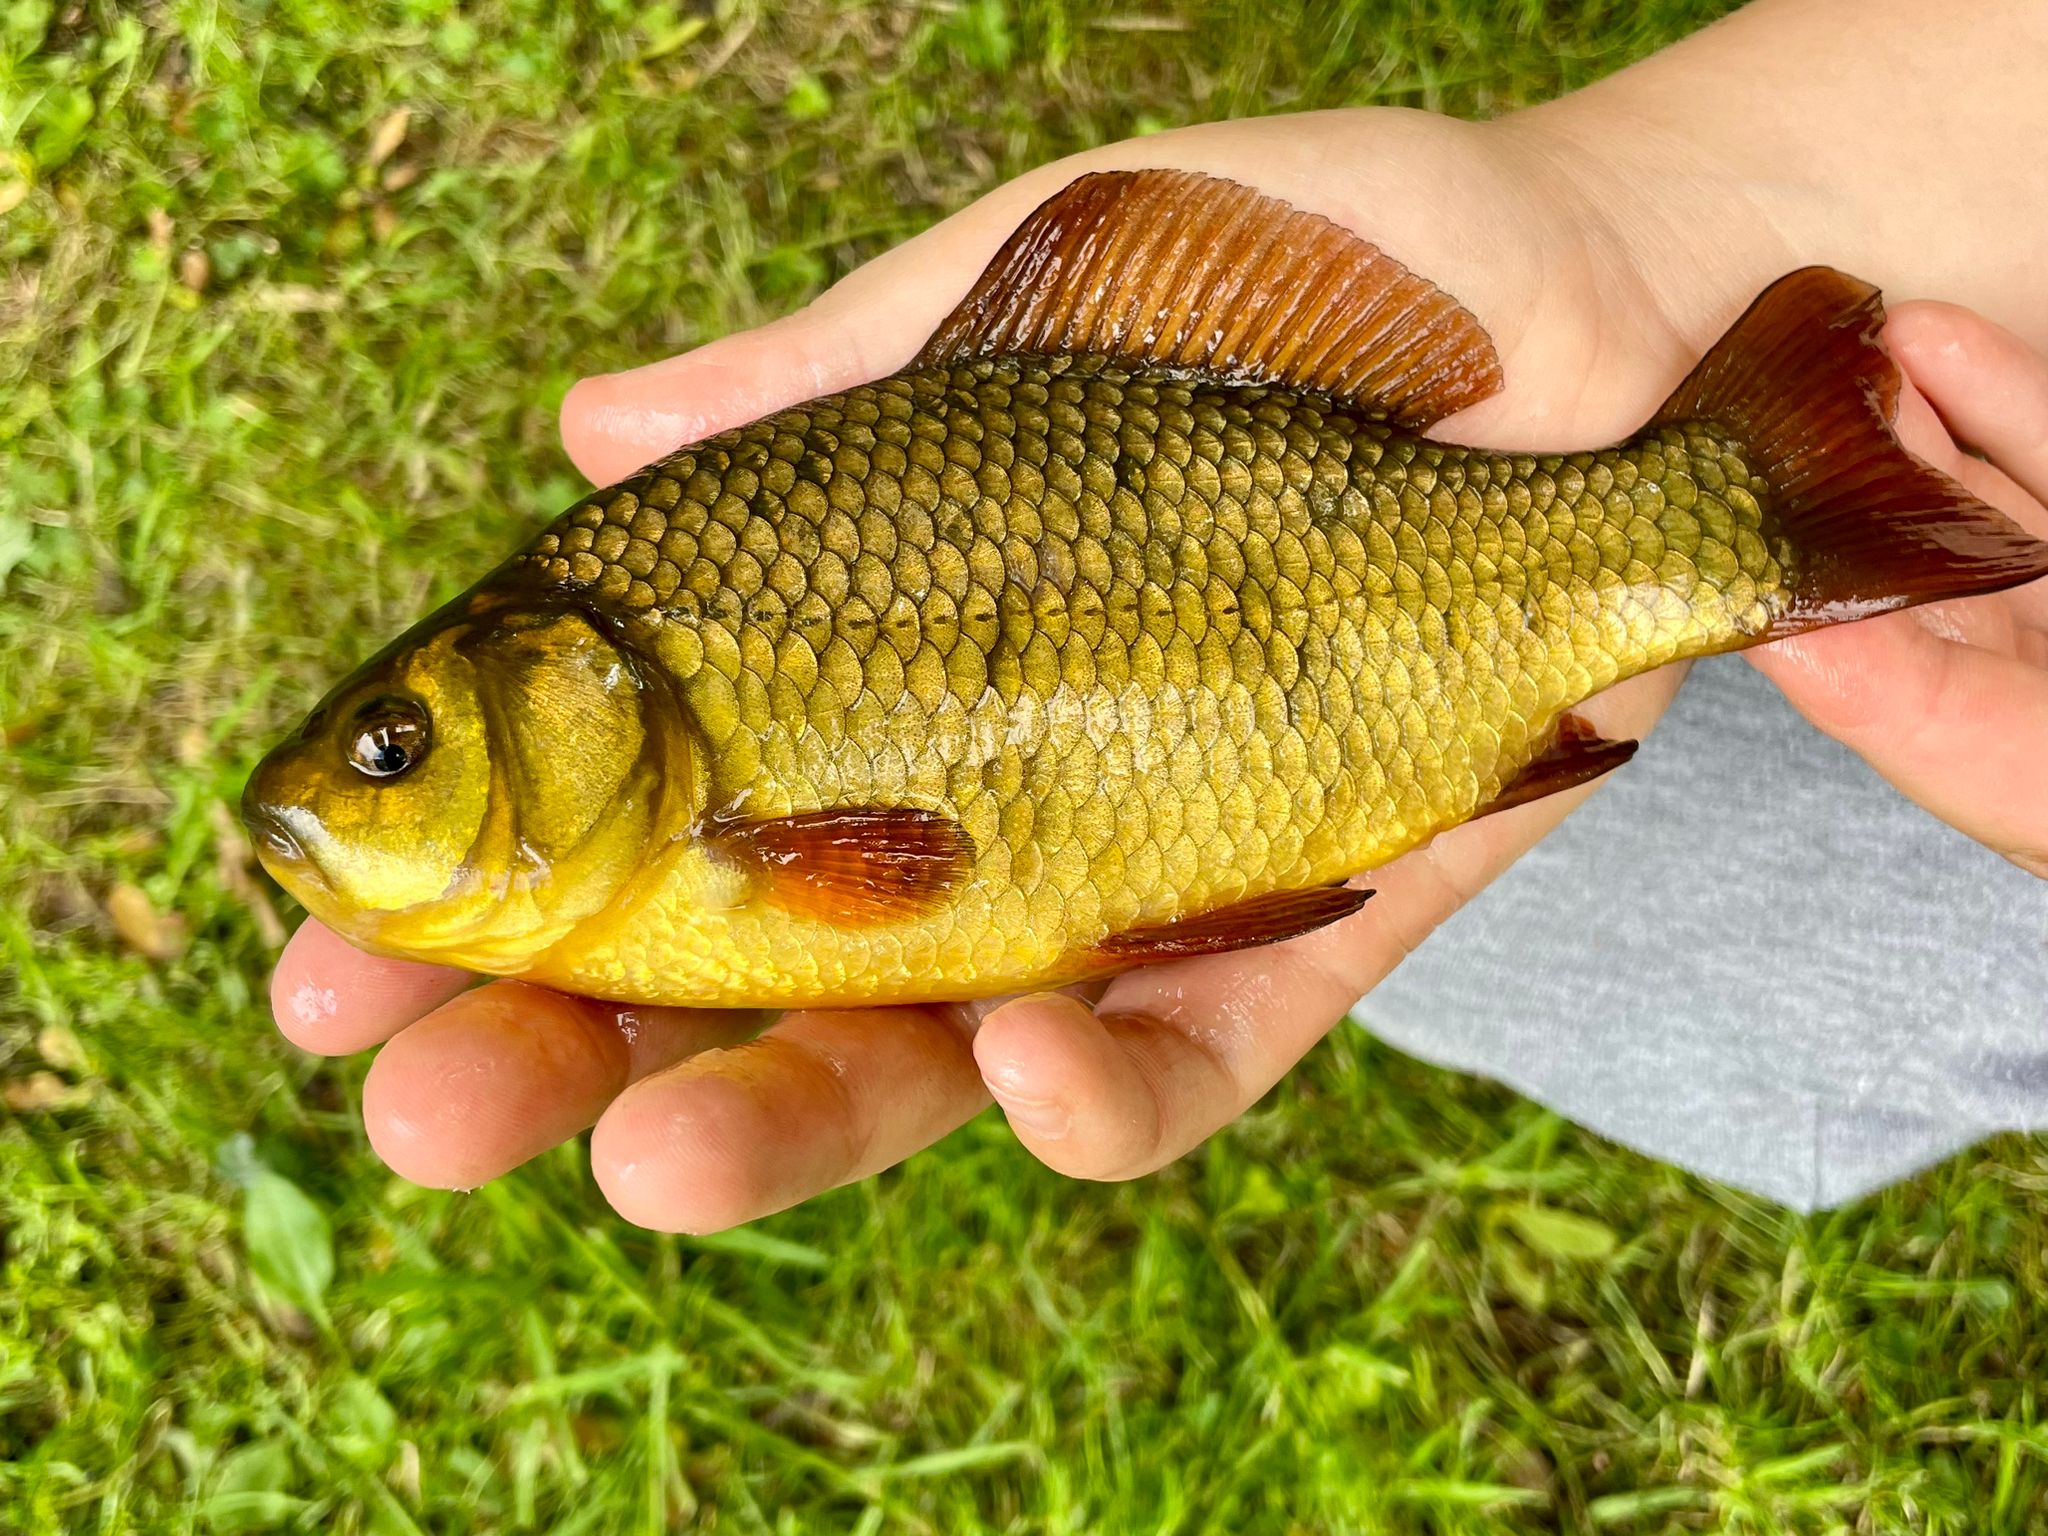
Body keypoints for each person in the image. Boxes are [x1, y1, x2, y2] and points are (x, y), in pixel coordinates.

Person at [267, 0, 2048, 1224]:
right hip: (1322, 705)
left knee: (1718, 1021)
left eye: (393, 745)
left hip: (1319, 632)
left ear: (574, 680)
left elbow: (906, 885)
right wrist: (1648, 213)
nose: (349, 787)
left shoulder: (663, 850)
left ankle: (1739, 507)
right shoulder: (640, 841)